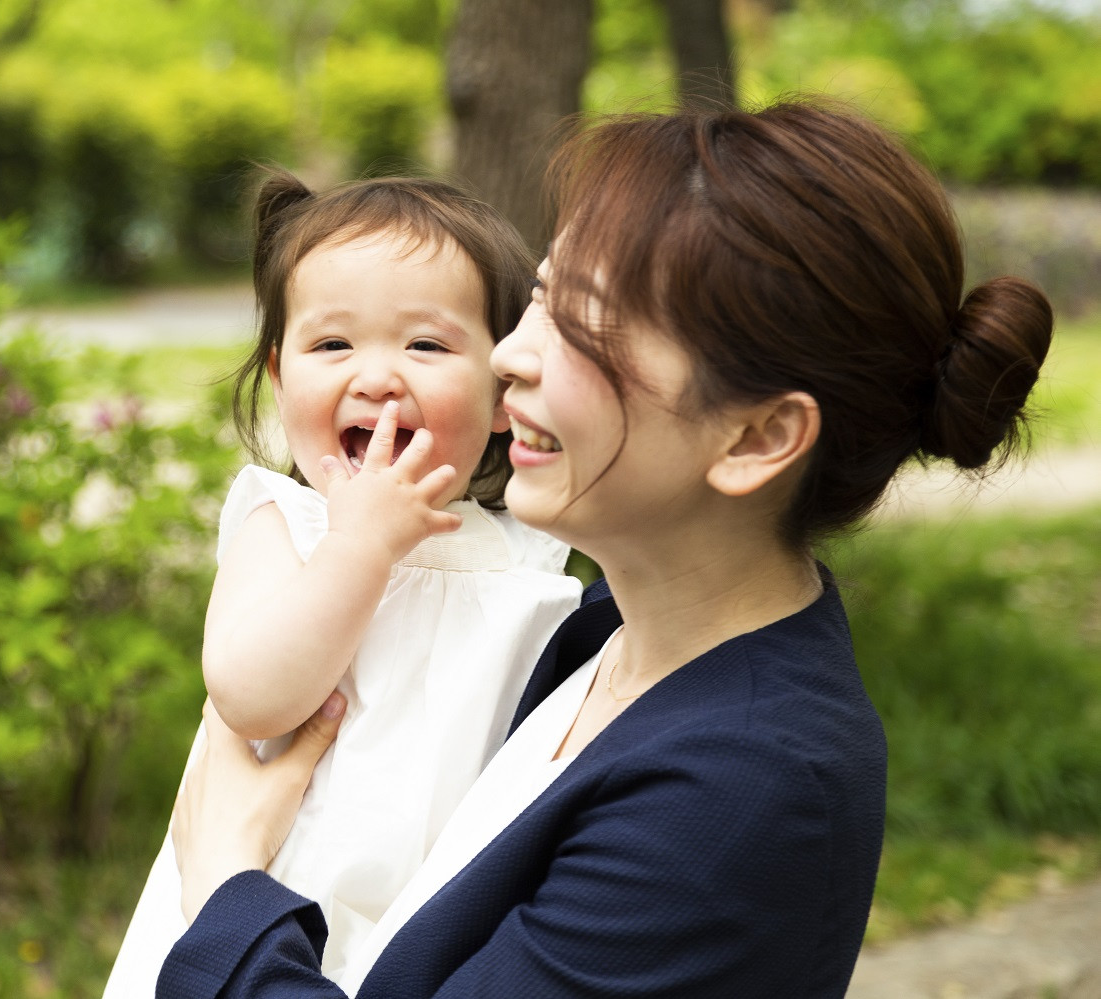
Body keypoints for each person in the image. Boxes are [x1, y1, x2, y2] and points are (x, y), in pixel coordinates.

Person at [159, 101, 1055, 997]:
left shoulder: (741, 792)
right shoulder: (583, 636)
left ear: (756, 438)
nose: (509, 355)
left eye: (585, 326)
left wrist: (226, 890)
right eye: (543, 295)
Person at [101, 173, 582, 996]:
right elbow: (250, 695)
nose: (377, 377)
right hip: (278, 884)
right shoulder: (288, 524)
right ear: (279, 378)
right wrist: (361, 544)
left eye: (425, 346)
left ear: (502, 392)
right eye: (332, 346)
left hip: (428, 917)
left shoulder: (524, 553)